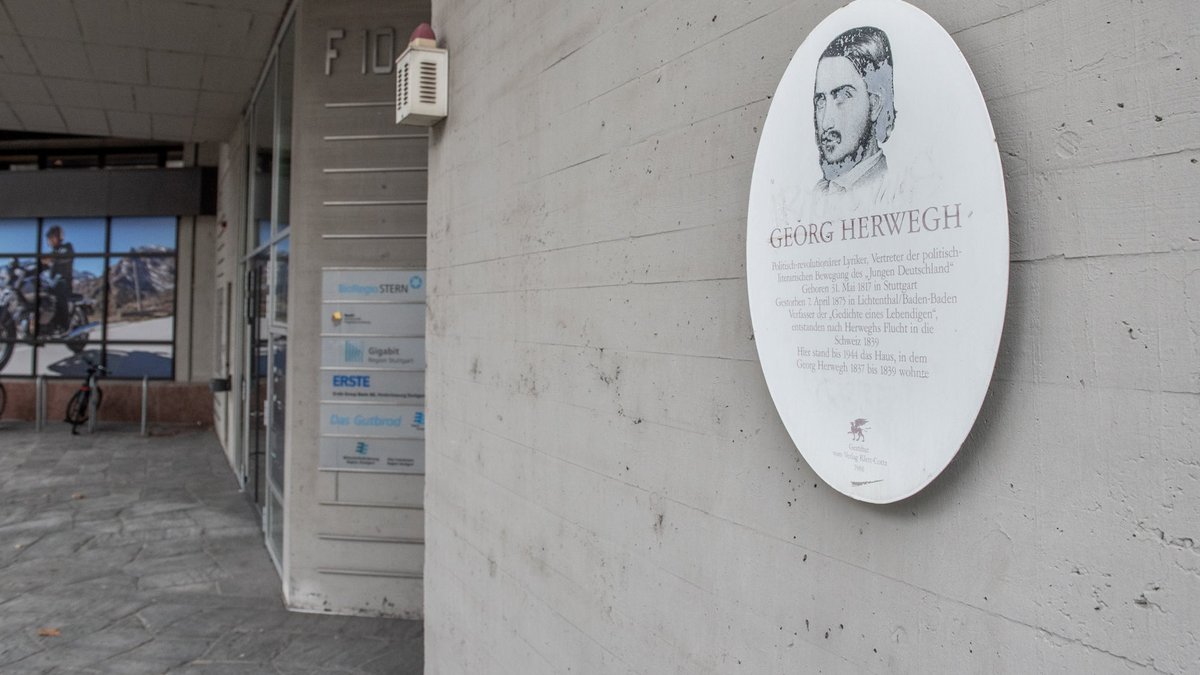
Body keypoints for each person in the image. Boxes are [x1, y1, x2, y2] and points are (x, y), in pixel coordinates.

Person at [811, 26, 896, 198]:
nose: (826, 123)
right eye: (821, 102)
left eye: (842, 97)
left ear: (875, 104)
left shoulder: (891, 191)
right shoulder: (818, 194)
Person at [42, 225, 74, 333]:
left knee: (58, 284)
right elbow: (42, 266)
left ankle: (64, 324)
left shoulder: (67, 247)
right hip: (52, 283)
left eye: (52, 236)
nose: (50, 239)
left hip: (64, 282)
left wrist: (51, 258)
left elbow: (65, 255)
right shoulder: (51, 254)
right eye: (49, 237)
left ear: (59, 237)